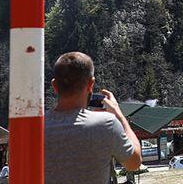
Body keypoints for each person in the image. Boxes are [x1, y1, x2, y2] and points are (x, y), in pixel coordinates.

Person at [45, 52, 141, 184]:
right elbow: (134, 163)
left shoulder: (34, 128)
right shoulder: (106, 124)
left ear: (54, 86)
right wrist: (118, 114)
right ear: (91, 84)